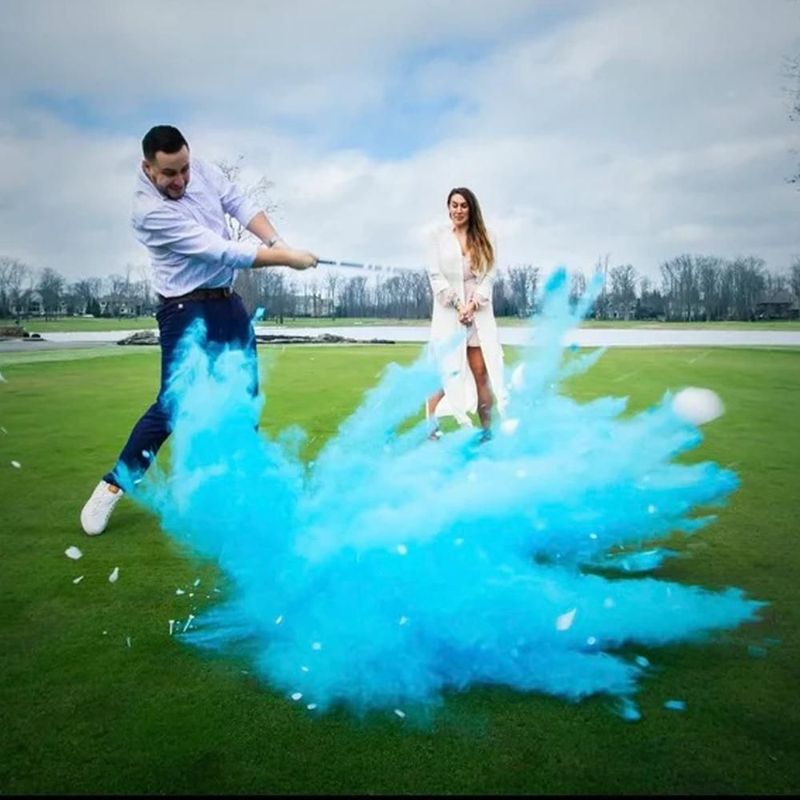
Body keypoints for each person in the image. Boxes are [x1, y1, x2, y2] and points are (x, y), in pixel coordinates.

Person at [80, 125, 318, 535]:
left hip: (227, 301)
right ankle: (113, 485)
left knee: (246, 397)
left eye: (184, 169)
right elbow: (219, 249)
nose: (181, 180)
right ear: (148, 169)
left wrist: (278, 242)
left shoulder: (201, 170)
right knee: (173, 404)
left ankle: (245, 489)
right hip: (182, 308)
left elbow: (239, 203)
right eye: (169, 174)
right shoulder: (147, 212)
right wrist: (285, 259)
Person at [425, 187, 506, 442]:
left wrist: (473, 305)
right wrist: (458, 305)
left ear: (471, 209)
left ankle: (486, 431)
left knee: (482, 373)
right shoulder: (438, 237)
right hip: (450, 314)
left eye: (463, 205)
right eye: (454, 205)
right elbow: (435, 275)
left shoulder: (487, 236)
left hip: (478, 315)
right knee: (446, 372)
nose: (458, 210)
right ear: (448, 208)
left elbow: (490, 275)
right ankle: (431, 429)